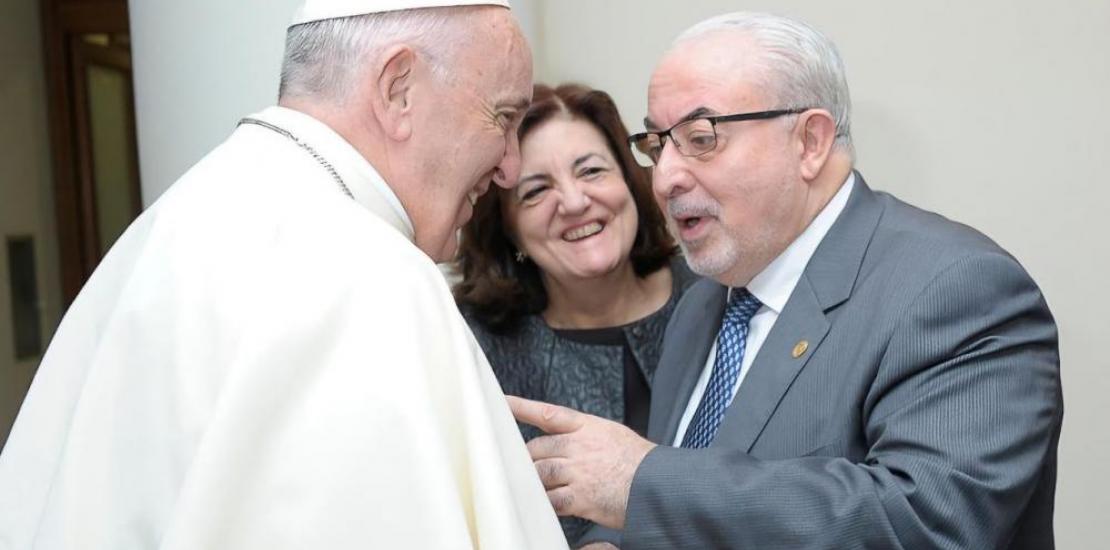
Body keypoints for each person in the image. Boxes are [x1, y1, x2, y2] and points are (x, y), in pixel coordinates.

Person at [0, 1, 568, 549]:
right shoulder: (370, 279)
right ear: (399, 89)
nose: (510, 167)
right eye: (504, 117)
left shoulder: (162, 227)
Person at [510, 12, 1062, 550]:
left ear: (810, 141)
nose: (667, 178)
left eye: (701, 139)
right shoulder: (702, 304)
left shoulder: (959, 289)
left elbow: (926, 524)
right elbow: (681, 478)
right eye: (658, 145)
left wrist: (639, 483)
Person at [452, 83, 698, 546]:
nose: (573, 201)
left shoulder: (721, 300)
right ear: (510, 231)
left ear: (630, 180)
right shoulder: (474, 348)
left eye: (591, 171)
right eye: (536, 191)